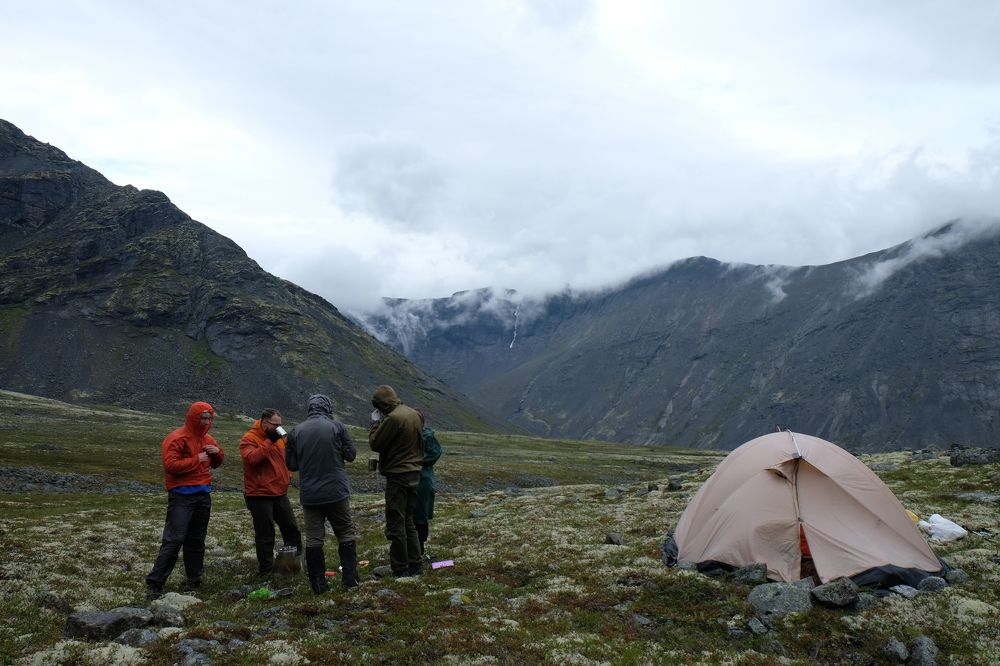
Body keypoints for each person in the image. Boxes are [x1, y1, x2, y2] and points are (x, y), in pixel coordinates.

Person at [146, 402, 225, 599]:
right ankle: (154, 584)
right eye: (203, 418)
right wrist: (196, 460)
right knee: (174, 540)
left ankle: (194, 579)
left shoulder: (208, 439)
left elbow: (216, 463)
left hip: (203, 494)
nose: (206, 422)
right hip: (181, 496)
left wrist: (218, 454)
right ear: (193, 417)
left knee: (196, 540)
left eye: (209, 418)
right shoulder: (176, 438)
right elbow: (170, 465)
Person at [285, 394, 360, 592]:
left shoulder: (295, 432)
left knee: (313, 538)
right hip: (336, 491)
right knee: (345, 533)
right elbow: (351, 455)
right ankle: (350, 580)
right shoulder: (338, 427)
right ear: (327, 407)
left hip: (310, 494)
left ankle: (318, 584)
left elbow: (291, 464)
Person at [239, 408, 303, 575]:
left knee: (291, 530)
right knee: (265, 535)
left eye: (280, 425)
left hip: (279, 493)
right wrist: (269, 441)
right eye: (276, 425)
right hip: (259, 495)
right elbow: (252, 459)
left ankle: (293, 567)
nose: (279, 428)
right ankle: (266, 571)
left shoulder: (279, 438)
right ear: (265, 422)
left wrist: (287, 475)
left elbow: (286, 457)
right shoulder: (249, 438)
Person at [368, 385, 424, 576]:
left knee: (396, 524)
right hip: (414, 473)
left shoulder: (393, 418)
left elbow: (376, 443)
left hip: (398, 475)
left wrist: (375, 423)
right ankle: (416, 564)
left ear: (382, 405)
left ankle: (400, 568)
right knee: (408, 521)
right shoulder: (412, 413)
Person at [414, 410, 442, 558]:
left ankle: (420, 548)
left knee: (420, 515)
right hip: (414, 480)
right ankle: (415, 549)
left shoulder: (428, 436)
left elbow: (435, 453)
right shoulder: (411, 434)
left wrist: (416, 461)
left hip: (423, 480)